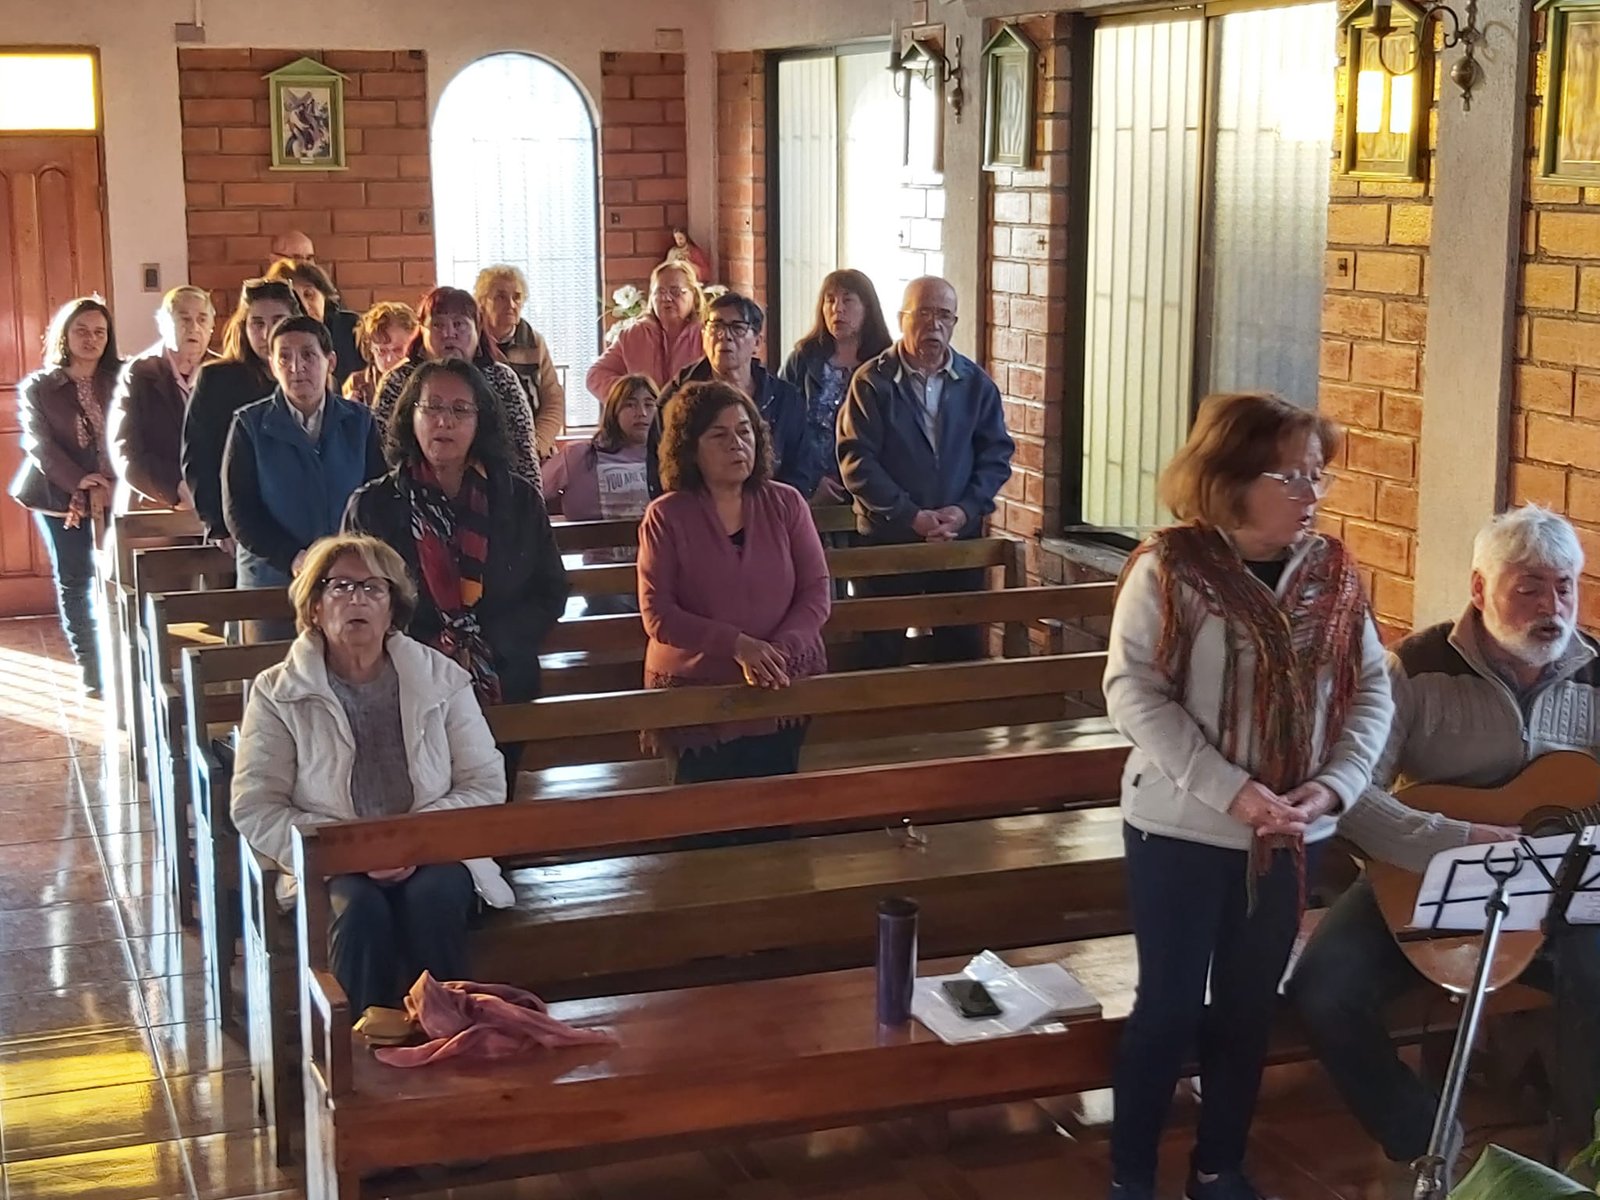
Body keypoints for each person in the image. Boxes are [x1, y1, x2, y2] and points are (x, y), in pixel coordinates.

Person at [1101, 392, 1393, 1200]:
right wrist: (1231, 791)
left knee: (1248, 1008)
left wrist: (1333, 787)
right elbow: (1133, 692)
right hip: (1181, 831)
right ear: (1230, 480)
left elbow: (1372, 688)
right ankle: (1131, 1178)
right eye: (1290, 477)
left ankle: (1218, 1168)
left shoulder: (1333, 574)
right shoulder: (1171, 569)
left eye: (1318, 476)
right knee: (1167, 1010)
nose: (1311, 494)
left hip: (1293, 831)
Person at [1291, 504, 1600, 1189]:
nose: (1552, 607)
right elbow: (1351, 792)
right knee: (1324, 990)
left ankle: (1587, 1156)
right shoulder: (1413, 668)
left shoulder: (1597, 672)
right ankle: (1426, 1139)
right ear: (1479, 589)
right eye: (1529, 588)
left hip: (1564, 888)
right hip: (1423, 877)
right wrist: (1450, 839)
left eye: (1565, 588)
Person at [230, 533, 512, 1016]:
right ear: (314, 607)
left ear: (392, 609)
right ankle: (364, 1049)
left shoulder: (440, 678)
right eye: (340, 586)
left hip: (433, 849)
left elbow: (484, 782)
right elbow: (256, 804)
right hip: (333, 861)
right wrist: (351, 850)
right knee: (358, 911)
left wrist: (410, 841)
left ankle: (449, 1038)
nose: (357, 599)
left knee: (434, 897)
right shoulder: (277, 692)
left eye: (373, 588)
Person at [344, 359, 569, 708]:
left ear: (481, 422)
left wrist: (487, 643)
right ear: (410, 416)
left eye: (460, 410)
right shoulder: (373, 506)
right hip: (401, 683)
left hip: (504, 678)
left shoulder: (518, 500)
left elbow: (550, 590)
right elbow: (354, 601)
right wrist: (431, 651)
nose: (444, 421)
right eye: (432, 407)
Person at [638, 380, 830, 785]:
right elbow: (658, 614)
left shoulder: (787, 503)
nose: (737, 445)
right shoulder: (666, 516)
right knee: (705, 814)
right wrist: (738, 646)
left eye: (745, 432)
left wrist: (778, 652)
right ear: (690, 447)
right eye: (719, 435)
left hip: (781, 681)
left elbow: (815, 591)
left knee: (777, 805)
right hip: (697, 693)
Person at [836, 276, 1015, 664]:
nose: (934, 324)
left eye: (944, 315)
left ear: (954, 322)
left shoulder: (975, 384)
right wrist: (910, 515)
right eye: (924, 314)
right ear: (902, 318)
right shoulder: (871, 382)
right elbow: (857, 460)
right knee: (880, 658)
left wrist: (965, 510)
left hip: (957, 543)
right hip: (888, 542)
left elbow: (995, 456)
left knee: (961, 655)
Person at [221, 316, 384, 606]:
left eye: (308, 355)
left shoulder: (360, 422)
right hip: (272, 578)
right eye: (284, 358)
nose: (296, 368)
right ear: (273, 366)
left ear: (330, 362)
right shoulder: (249, 425)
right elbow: (239, 511)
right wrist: (291, 557)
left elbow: (377, 496)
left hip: (348, 578)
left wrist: (351, 556)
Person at [8, 297, 120, 697]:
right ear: (65, 335)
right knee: (75, 580)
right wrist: (80, 480)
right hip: (59, 497)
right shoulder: (40, 387)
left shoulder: (123, 378)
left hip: (117, 494)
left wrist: (114, 481)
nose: (91, 339)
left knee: (121, 578)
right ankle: (91, 668)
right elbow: (39, 445)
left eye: (100, 332)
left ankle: (125, 664)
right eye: (82, 331)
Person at [649, 291, 818, 499]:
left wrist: (769, 507)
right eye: (716, 326)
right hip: (694, 510)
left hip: (770, 509)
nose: (725, 336)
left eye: (737, 328)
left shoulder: (784, 399)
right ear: (703, 335)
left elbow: (800, 472)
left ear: (757, 342)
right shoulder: (677, 395)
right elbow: (662, 468)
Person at [372, 287, 539, 488]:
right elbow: (379, 452)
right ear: (422, 331)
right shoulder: (398, 380)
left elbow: (524, 457)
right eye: (437, 325)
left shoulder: (502, 379)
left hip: (493, 494)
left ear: (478, 330)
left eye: (459, 324)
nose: (449, 334)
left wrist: (528, 502)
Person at [182, 279, 302, 551]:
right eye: (257, 323)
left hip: (297, 519)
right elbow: (198, 456)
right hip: (239, 521)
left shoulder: (308, 378)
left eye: (278, 320)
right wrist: (217, 523)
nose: (267, 333)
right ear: (244, 327)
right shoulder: (217, 379)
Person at [543, 374, 656, 615]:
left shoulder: (668, 459)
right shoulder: (581, 455)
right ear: (613, 411)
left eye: (649, 404)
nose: (642, 413)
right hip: (602, 577)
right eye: (630, 404)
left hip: (658, 573)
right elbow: (533, 491)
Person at [781, 269, 894, 504]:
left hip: (870, 490)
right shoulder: (803, 359)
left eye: (848, 300)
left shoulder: (886, 365)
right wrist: (812, 481)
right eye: (830, 300)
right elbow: (783, 424)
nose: (837, 309)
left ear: (867, 308)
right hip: (807, 486)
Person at [107, 285, 217, 513]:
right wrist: (175, 488)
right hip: (155, 504)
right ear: (163, 325)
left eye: (202, 319)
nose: (194, 327)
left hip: (214, 504)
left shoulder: (223, 372)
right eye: (184, 319)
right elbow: (126, 449)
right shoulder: (140, 373)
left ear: (211, 327)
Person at [473, 265, 566, 460]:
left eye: (517, 297)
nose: (511, 304)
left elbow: (553, 401)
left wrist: (536, 446)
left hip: (534, 450)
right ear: (481, 302)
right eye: (500, 297)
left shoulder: (534, 342)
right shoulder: (470, 344)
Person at [584, 260, 704, 401]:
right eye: (660, 292)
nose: (666, 298)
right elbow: (595, 376)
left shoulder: (706, 335)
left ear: (694, 295)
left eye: (675, 291)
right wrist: (632, 396)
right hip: (645, 414)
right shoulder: (634, 335)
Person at [265, 258, 362, 390]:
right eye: (293, 298)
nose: (304, 305)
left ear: (324, 295)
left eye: (309, 295)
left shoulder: (351, 328)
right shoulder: (273, 338)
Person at [343, 302, 417, 409]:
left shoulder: (425, 380)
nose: (390, 359)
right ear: (370, 348)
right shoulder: (358, 384)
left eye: (398, 350)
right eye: (381, 351)